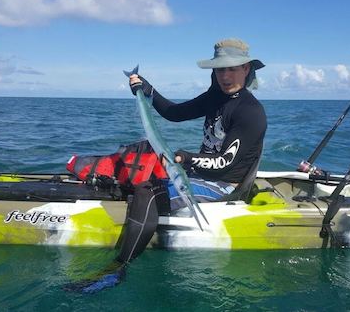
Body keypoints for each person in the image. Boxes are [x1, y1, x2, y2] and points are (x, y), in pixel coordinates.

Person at [75, 38, 267, 294]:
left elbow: (223, 164)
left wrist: (186, 158)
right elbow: (174, 113)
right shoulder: (215, 97)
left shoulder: (250, 111)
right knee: (140, 170)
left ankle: (119, 267)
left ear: (246, 68)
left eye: (232, 68)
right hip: (200, 173)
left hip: (224, 184)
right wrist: (146, 89)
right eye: (220, 68)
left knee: (147, 191)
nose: (225, 75)